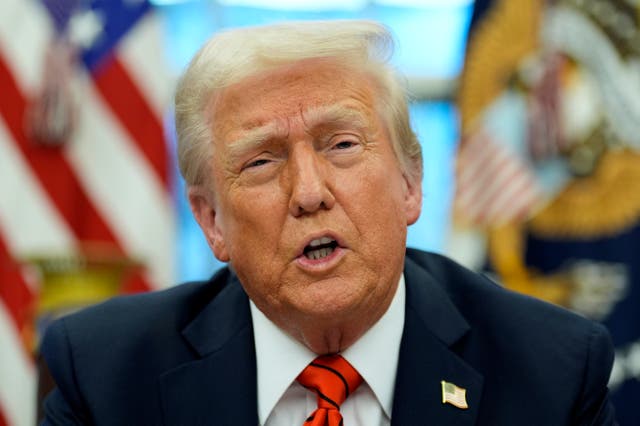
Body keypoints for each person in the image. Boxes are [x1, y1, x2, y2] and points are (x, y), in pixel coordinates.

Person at [40, 20, 616, 425]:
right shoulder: (106, 376)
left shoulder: (550, 372)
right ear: (212, 220)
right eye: (262, 161)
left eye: (341, 144)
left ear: (411, 185)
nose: (310, 194)